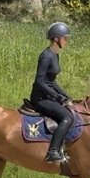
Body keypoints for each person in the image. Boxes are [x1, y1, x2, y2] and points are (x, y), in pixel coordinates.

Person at [30, 21, 76, 163]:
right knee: (67, 117)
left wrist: (65, 95)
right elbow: (40, 81)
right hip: (40, 98)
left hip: (48, 96)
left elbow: (52, 81)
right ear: (56, 39)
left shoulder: (55, 55)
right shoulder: (46, 56)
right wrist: (56, 96)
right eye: (65, 38)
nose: (66, 41)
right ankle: (53, 151)